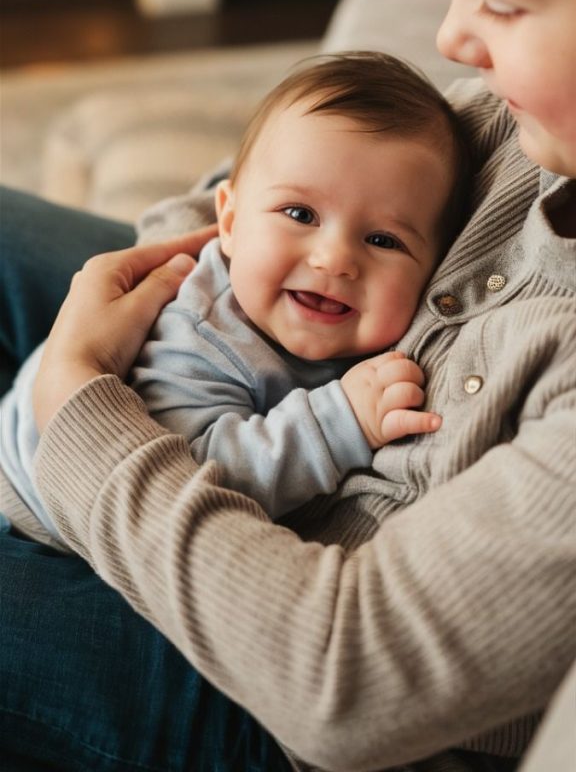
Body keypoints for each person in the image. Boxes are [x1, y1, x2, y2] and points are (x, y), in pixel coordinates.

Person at [1, 0, 575, 770]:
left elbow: (347, 682)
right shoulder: (525, 129)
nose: (452, 36)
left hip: (271, 675)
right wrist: (163, 309)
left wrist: (79, 395)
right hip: (225, 413)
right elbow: (269, 169)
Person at [2, 52, 467, 541]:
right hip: (34, 498)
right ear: (229, 222)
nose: (334, 260)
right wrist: (338, 424)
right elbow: (188, 483)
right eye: (300, 214)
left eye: (383, 240)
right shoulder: (204, 335)